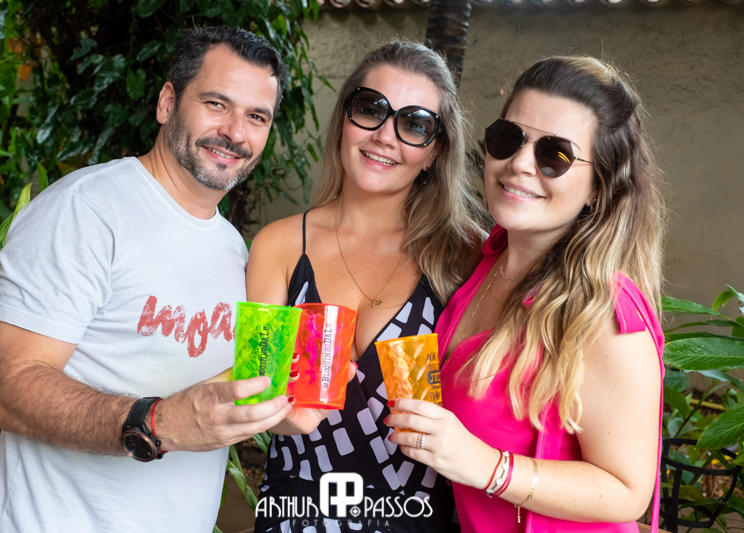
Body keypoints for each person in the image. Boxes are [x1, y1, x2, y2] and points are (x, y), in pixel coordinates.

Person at [0, 26, 292, 533]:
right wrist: (158, 423)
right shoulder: (85, 210)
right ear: (168, 102)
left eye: (257, 116)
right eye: (216, 103)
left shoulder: (235, 250)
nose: (236, 132)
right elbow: (12, 389)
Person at [385, 56, 666, 532]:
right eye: (509, 138)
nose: (518, 164)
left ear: (598, 187)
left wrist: (485, 465)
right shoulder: (487, 260)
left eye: (555, 155)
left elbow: (627, 492)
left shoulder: (605, 313)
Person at [247, 41, 485, 533]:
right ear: (345, 118)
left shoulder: (465, 254)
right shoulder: (279, 246)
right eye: (371, 109)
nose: (384, 136)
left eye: (414, 124)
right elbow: (257, 395)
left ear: (435, 150)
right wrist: (283, 411)